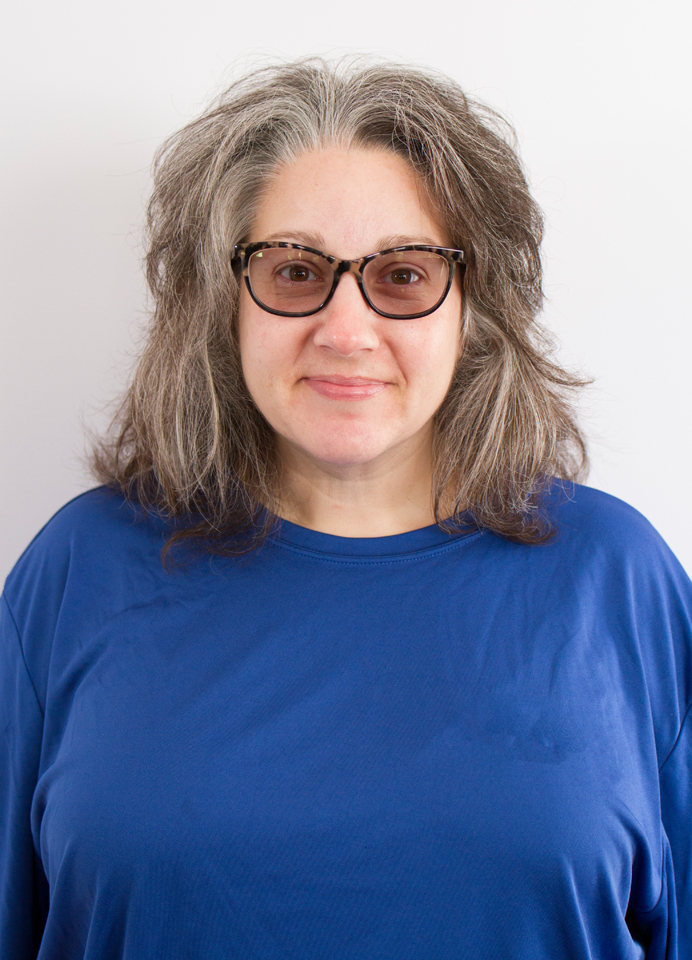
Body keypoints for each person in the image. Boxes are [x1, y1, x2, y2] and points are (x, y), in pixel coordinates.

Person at [1, 57, 690, 960]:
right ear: (223, 303)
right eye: (295, 271)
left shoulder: (618, 579)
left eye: (403, 275)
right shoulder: (78, 570)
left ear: (474, 306)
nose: (346, 330)